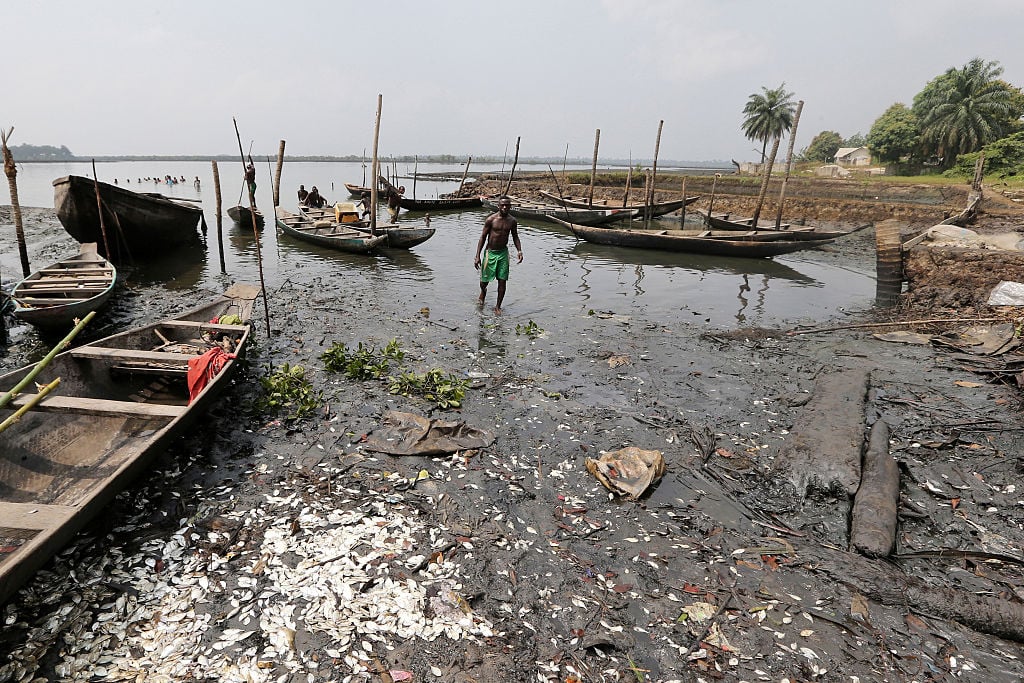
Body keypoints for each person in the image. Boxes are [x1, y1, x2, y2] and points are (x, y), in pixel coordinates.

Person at [474, 196, 522, 315]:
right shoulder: (491, 219)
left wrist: (519, 251)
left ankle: (498, 306)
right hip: (490, 253)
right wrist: (477, 256)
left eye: (507, 205)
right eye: (502, 205)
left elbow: (515, 236)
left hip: (503, 253)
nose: (505, 207)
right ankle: (483, 293)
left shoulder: (512, 221)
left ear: (510, 206)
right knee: (484, 281)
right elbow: (483, 237)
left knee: (502, 280)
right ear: (498, 206)